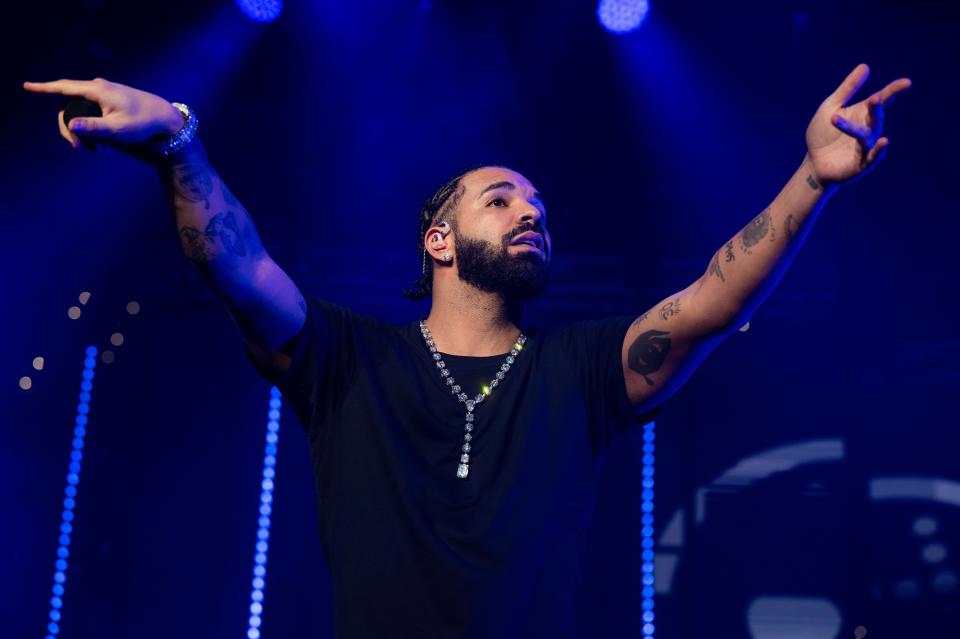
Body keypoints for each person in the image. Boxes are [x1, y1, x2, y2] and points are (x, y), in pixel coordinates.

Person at [24, 64, 910, 638]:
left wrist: (812, 177)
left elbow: (716, 296)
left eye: (539, 208)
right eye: (500, 200)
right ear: (439, 243)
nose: (531, 211)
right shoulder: (348, 358)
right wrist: (180, 139)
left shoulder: (583, 372)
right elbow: (237, 262)